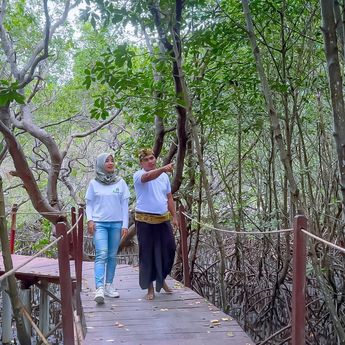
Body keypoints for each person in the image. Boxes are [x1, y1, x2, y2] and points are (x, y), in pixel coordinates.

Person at [133, 148, 178, 300]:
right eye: (146, 160)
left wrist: (175, 216)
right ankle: (150, 288)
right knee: (147, 254)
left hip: (163, 219)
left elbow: (169, 197)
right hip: (145, 221)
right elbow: (148, 177)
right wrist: (163, 168)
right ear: (141, 163)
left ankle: (161, 278)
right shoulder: (139, 175)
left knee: (170, 249)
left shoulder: (164, 177)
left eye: (152, 158)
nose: (150, 161)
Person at [85, 152, 130, 304]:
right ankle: (99, 288)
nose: (110, 163)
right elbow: (89, 204)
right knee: (101, 254)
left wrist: (125, 224)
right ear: (100, 164)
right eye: (107, 161)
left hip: (116, 223)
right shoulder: (94, 183)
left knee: (112, 255)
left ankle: (109, 285)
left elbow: (125, 205)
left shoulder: (120, 182)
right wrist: (90, 220)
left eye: (112, 161)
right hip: (100, 223)